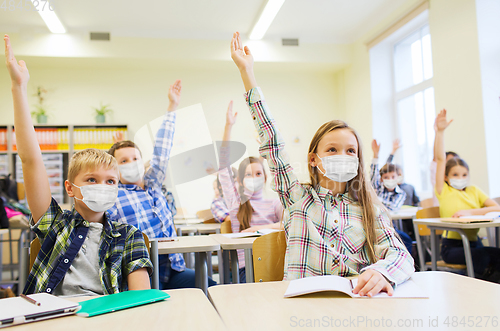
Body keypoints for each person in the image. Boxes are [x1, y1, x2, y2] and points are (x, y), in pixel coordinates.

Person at [230, 31, 414, 296]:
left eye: (351, 150)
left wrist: (381, 271)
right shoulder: (298, 198)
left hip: (356, 306)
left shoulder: (368, 207)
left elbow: (399, 253)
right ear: (314, 159)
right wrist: (248, 74)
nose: (343, 155)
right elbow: (272, 142)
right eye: (332, 149)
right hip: (303, 308)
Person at [4, 34, 152, 295]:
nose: (102, 186)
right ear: (70, 188)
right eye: (91, 180)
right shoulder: (56, 225)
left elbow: (140, 297)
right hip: (53, 318)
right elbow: (30, 160)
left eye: (110, 181)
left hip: (106, 318)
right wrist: (19, 88)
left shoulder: (130, 236)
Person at [107, 81, 215, 289]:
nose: (131, 164)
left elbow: (162, 151)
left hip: (171, 269)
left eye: (135, 158)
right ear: (115, 169)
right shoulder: (113, 196)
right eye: (123, 161)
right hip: (137, 276)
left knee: (211, 288)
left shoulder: (152, 185)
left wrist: (172, 108)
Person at [218, 101, 283, 283]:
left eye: (258, 173)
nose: (253, 177)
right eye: (248, 174)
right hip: (248, 269)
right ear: (239, 179)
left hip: (277, 265)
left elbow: (291, 223)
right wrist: (228, 126)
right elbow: (223, 168)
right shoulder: (236, 203)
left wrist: (258, 229)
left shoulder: (274, 203)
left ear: (265, 177)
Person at [434, 109, 500, 282]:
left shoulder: (474, 190)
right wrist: (440, 132)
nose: (460, 178)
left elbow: (496, 207)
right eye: (455, 175)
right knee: (482, 257)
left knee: (495, 255)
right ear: (446, 177)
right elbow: (440, 159)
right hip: (452, 247)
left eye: (464, 175)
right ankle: (474, 282)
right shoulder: (444, 191)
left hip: (474, 242)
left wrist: (470, 212)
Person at [370, 140, 407, 211]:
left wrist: (375, 198)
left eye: (393, 177)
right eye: (386, 177)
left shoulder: (401, 193)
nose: (390, 179)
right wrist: (376, 155)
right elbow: (374, 173)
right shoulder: (378, 188)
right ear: (381, 179)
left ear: (398, 177)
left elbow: (394, 207)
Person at [385, 140, 420, 207]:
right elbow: (386, 168)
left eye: (400, 174)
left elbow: (417, 203)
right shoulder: (391, 189)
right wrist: (393, 151)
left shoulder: (409, 187)